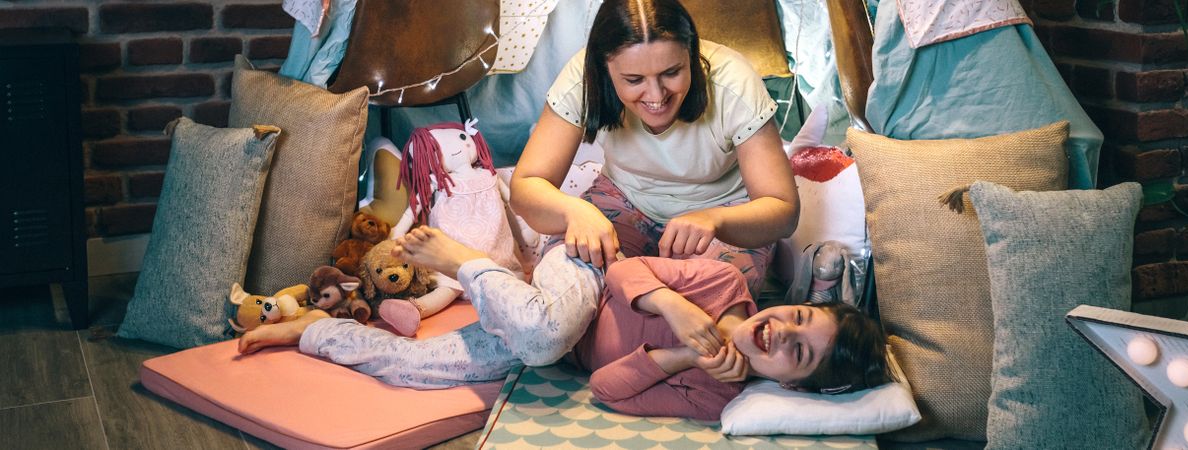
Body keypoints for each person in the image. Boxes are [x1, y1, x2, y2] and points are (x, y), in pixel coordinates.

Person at [238, 227, 890, 420]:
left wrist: (683, 358)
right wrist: (673, 307)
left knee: (417, 368)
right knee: (546, 335)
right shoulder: (725, 283)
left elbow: (607, 387)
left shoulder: (715, 392)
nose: (782, 330)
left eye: (797, 352)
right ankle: (465, 264)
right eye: (797, 317)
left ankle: (308, 332)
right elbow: (628, 272)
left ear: (791, 385)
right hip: (578, 277)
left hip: (540, 340)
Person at [509, 0, 798, 295]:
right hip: (623, 200)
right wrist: (574, 211)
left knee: (714, 301)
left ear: (691, 53)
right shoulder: (582, 77)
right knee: (565, 291)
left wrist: (714, 220)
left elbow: (784, 211)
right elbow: (526, 186)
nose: (656, 95)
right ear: (604, 69)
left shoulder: (734, 81)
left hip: (723, 212)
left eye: (672, 72)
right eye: (634, 80)